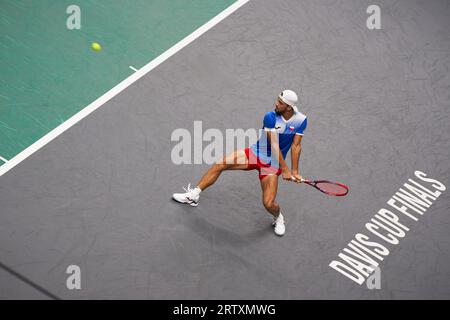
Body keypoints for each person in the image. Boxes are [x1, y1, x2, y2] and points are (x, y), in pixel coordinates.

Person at [172, 89, 307, 236]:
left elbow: (296, 146)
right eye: (277, 100)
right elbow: (274, 145)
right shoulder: (270, 117)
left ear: (289, 107)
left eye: (280, 103)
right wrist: (286, 170)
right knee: (221, 163)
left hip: (272, 165)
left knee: (269, 203)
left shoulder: (301, 120)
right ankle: (194, 195)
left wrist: (295, 171)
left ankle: (278, 217)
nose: (276, 103)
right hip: (256, 153)